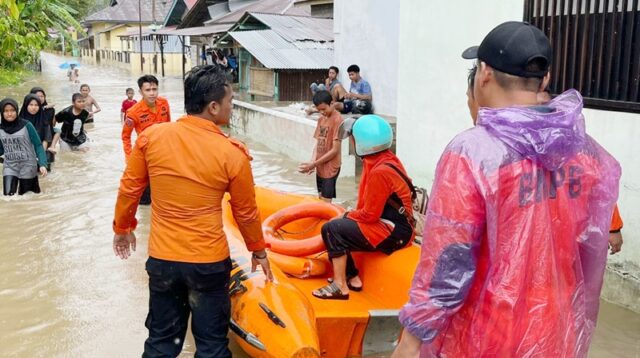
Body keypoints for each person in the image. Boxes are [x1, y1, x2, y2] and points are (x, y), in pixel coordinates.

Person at [393, 22, 621, 357]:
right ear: (544, 79)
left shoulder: (472, 152)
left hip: (486, 335)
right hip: (558, 332)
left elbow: (449, 262)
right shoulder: (586, 152)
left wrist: (410, 340)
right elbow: (590, 251)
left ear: (483, 73)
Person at [112, 64, 273, 357]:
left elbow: (128, 190)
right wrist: (258, 251)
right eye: (229, 102)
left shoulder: (151, 138)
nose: (231, 109)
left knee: (161, 344)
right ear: (213, 107)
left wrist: (123, 229)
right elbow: (246, 212)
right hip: (208, 264)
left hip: (163, 261)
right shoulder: (232, 154)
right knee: (212, 346)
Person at [312, 115, 415, 300]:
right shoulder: (386, 159)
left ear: (362, 142)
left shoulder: (379, 172)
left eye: (352, 138)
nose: (350, 142)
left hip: (394, 232)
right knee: (340, 225)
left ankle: (339, 286)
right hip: (397, 225)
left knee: (331, 228)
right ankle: (353, 279)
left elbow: (369, 215)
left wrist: (346, 215)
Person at [122, 75, 171, 205]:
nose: (152, 93)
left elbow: (169, 126)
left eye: (154, 89)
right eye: (148, 90)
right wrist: (129, 157)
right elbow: (125, 136)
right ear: (140, 92)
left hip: (164, 153)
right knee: (145, 198)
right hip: (146, 155)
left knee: (165, 191)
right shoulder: (133, 112)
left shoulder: (164, 103)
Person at [298, 90, 344, 202]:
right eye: (319, 110)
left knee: (326, 202)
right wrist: (312, 162)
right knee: (320, 199)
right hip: (320, 166)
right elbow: (317, 143)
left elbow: (335, 150)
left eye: (324, 109)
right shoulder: (321, 119)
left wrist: (313, 164)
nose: (322, 112)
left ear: (332, 103)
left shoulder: (338, 120)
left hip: (331, 167)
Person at [0, 98, 48, 196]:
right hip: (10, 166)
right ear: (1, 113)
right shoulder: (0, 129)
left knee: (27, 197)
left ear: (17, 111)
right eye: (6, 111)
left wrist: (43, 164)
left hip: (28, 166)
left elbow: (38, 145)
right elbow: (1, 149)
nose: (9, 114)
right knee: (8, 197)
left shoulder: (27, 125)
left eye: (12, 111)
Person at [30, 87, 57, 170]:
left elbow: (50, 125)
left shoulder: (50, 110)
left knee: (47, 169)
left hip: (46, 138)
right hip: (31, 143)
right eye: (37, 96)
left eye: (42, 96)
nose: (40, 98)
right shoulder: (27, 111)